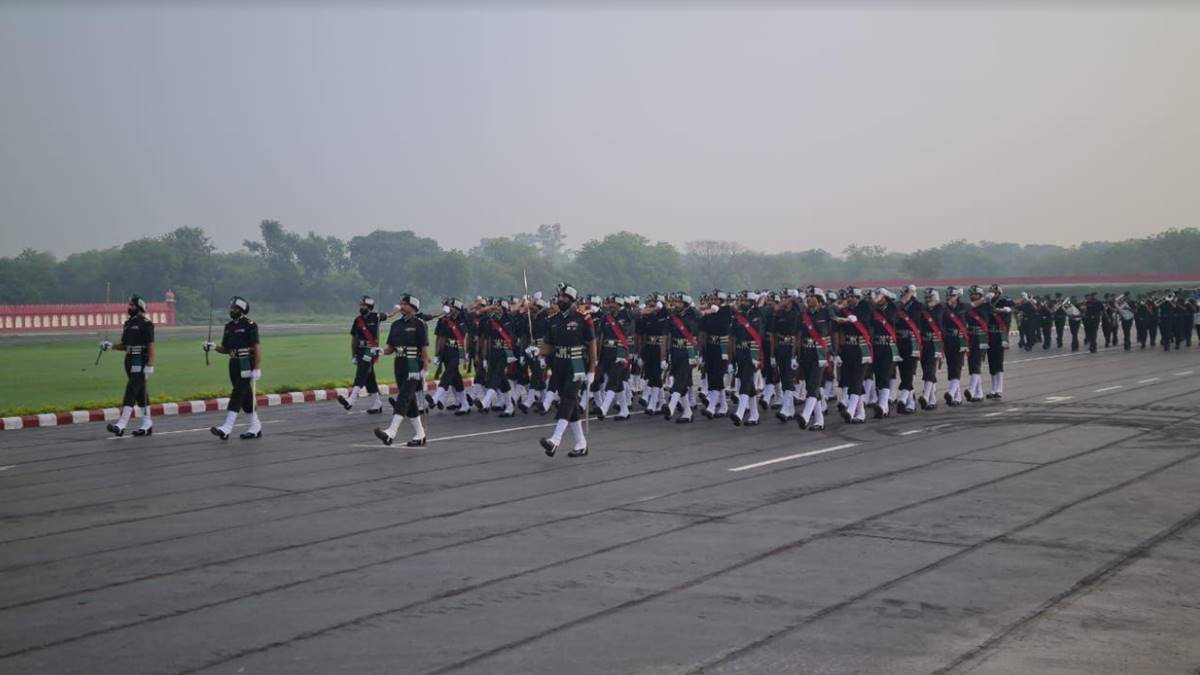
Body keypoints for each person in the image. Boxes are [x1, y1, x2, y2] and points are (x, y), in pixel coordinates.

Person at [536, 284, 596, 457]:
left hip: (577, 362)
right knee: (571, 406)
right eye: (559, 297)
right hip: (560, 362)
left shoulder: (582, 318)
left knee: (568, 398)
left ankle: (555, 440)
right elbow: (549, 346)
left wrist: (592, 369)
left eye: (564, 297)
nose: (560, 300)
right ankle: (581, 443)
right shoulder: (553, 319)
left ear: (571, 300)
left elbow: (592, 344)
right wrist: (537, 351)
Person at [373, 294, 429, 447]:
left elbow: (424, 348)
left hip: (414, 365)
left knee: (404, 397)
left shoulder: (419, 324)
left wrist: (425, 368)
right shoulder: (396, 325)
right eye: (401, 303)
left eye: (404, 304)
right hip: (399, 363)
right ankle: (420, 434)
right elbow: (391, 347)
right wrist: (382, 351)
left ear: (413, 307)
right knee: (409, 401)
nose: (401, 306)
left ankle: (391, 432)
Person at [203, 296, 262, 440]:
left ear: (241, 310)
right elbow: (226, 349)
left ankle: (227, 427)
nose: (232, 310)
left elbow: (257, 348)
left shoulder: (250, 325)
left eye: (234, 308)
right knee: (245, 396)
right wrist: (214, 347)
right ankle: (256, 427)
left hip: (245, 362)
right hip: (233, 364)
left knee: (238, 393)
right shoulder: (228, 327)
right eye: (231, 308)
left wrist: (257, 368)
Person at [100, 295, 156, 437]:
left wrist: (150, 364)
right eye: (129, 304)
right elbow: (125, 345)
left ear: (139, 307)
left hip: (140, 359)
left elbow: (150, 345)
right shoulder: (128, 324)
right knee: (140, 392)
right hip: (129, 359)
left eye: (131, 305)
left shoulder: (146, 324)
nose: (129, 307)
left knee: (131, 389)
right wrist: (111, 346)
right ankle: (147, 424)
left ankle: (121, 424)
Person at [337, 296, 399, 413]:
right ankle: (377, 403)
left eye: (364, 305)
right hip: (360, 350)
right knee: (369, 377)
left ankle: (351, 400)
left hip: (371, 350)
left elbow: (389, 315)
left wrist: (397, 309)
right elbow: (354, 339)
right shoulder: (358, 320)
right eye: (361, 305)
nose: (361, 307)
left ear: (369, 307)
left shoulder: (376, 317)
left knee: (361, 372)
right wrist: (354, 355)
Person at [796, 287, 833, 429]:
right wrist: (795, 356)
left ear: (819, 299)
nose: (809, 298)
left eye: (812, 296)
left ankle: (805, 416)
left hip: (820, 354)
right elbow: (798, 336)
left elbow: (836, 324)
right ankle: (819, 421)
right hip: (806, 353)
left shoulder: (826, 313)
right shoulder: (803, 315)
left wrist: (834, 353)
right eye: (808, 296)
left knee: (813, 385)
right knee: (811, 386)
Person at [729, 291, 766, 427]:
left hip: (752, 352)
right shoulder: (737, 317)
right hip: (740, 352)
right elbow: (732, 338)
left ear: (751, 302)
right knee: (748, 382)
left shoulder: (757, 315)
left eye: (744, 300)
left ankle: (740, 412)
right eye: (740, 300)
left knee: (745, 380)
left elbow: (758, 336)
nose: (741, 302)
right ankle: (754, 415)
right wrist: (732, 360)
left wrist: (757, 357)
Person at [664, 293, 701, 423]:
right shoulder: (673, 317)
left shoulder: (694, 315)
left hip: (688, 352)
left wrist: (699, 354)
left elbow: (699, 334)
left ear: (685, 304)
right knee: (681, 382)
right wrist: (666, 355)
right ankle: (687, 412)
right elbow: (668, 336)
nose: (676, 304)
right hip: (676, 351)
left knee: (680, 379)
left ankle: (671, 406)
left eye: (679, 302)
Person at [698, 291, 734, 419]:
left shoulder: (726, 311)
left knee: (717, 375)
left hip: (722, 346)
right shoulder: (710, 313)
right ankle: (723, 406)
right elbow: (702, 328)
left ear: (721, 300)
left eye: (715, 299)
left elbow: (723, 327)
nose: (712, 301)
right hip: (711, 346)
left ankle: (712, 406)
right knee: (712, 374)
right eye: (711, 298)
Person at [431, 298, 471, 415]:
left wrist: (466, 354)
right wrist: (437, 354)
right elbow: (440, 338)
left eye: (450, 306)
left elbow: (467, 337)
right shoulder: (444, 320)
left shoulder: (464, 318)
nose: (448, 308)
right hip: (447, 351)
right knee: (456, 379)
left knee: (448, 373)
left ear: (456, 308)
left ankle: (436, 397)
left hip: (459, 351)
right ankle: (464, 405)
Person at [917, 288, 944, 410]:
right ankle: (932, 399)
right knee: (925, 368)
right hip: (924, 342)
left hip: (936, 342)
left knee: (930, 369)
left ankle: (926, 395)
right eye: (926, 298)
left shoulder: (941, 309)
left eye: (930, 297)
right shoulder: (923, 310)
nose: (928, 300)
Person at [942, 287, 969, 406]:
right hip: (948, 339)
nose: (949, 298)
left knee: (957, 365)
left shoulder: (964, 307)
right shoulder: (943, 308)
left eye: (952, 295)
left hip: (960, 340)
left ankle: (951, 393)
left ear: (957, 296)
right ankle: (957, 397)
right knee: (951, 366)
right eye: (947, 295)